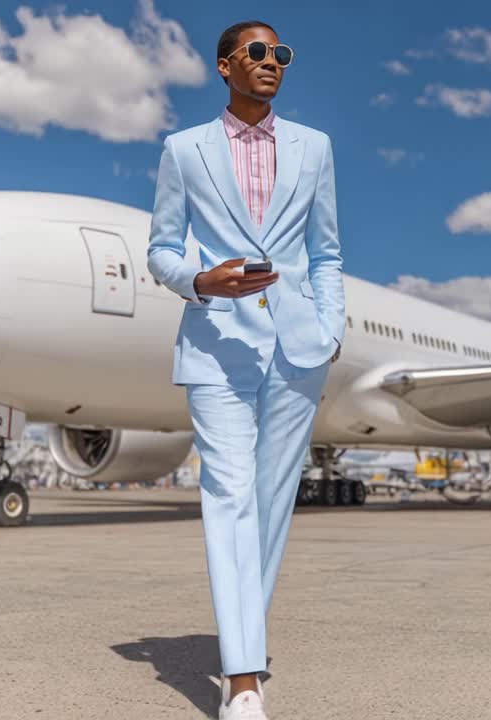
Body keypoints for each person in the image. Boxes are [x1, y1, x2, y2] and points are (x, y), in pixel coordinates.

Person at [146, 19, 344, 720]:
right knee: (228, 499)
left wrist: (331, 328)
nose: (272, 62)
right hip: (217, 343)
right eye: (257, 53)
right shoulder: (184, 151)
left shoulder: (314, 148)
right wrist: (202, 280)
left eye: (281, 54)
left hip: (298, 347)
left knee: (270, 507)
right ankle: (243, 680)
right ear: (226, 66)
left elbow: (326, 254)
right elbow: (160, 249)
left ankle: (241, 644)